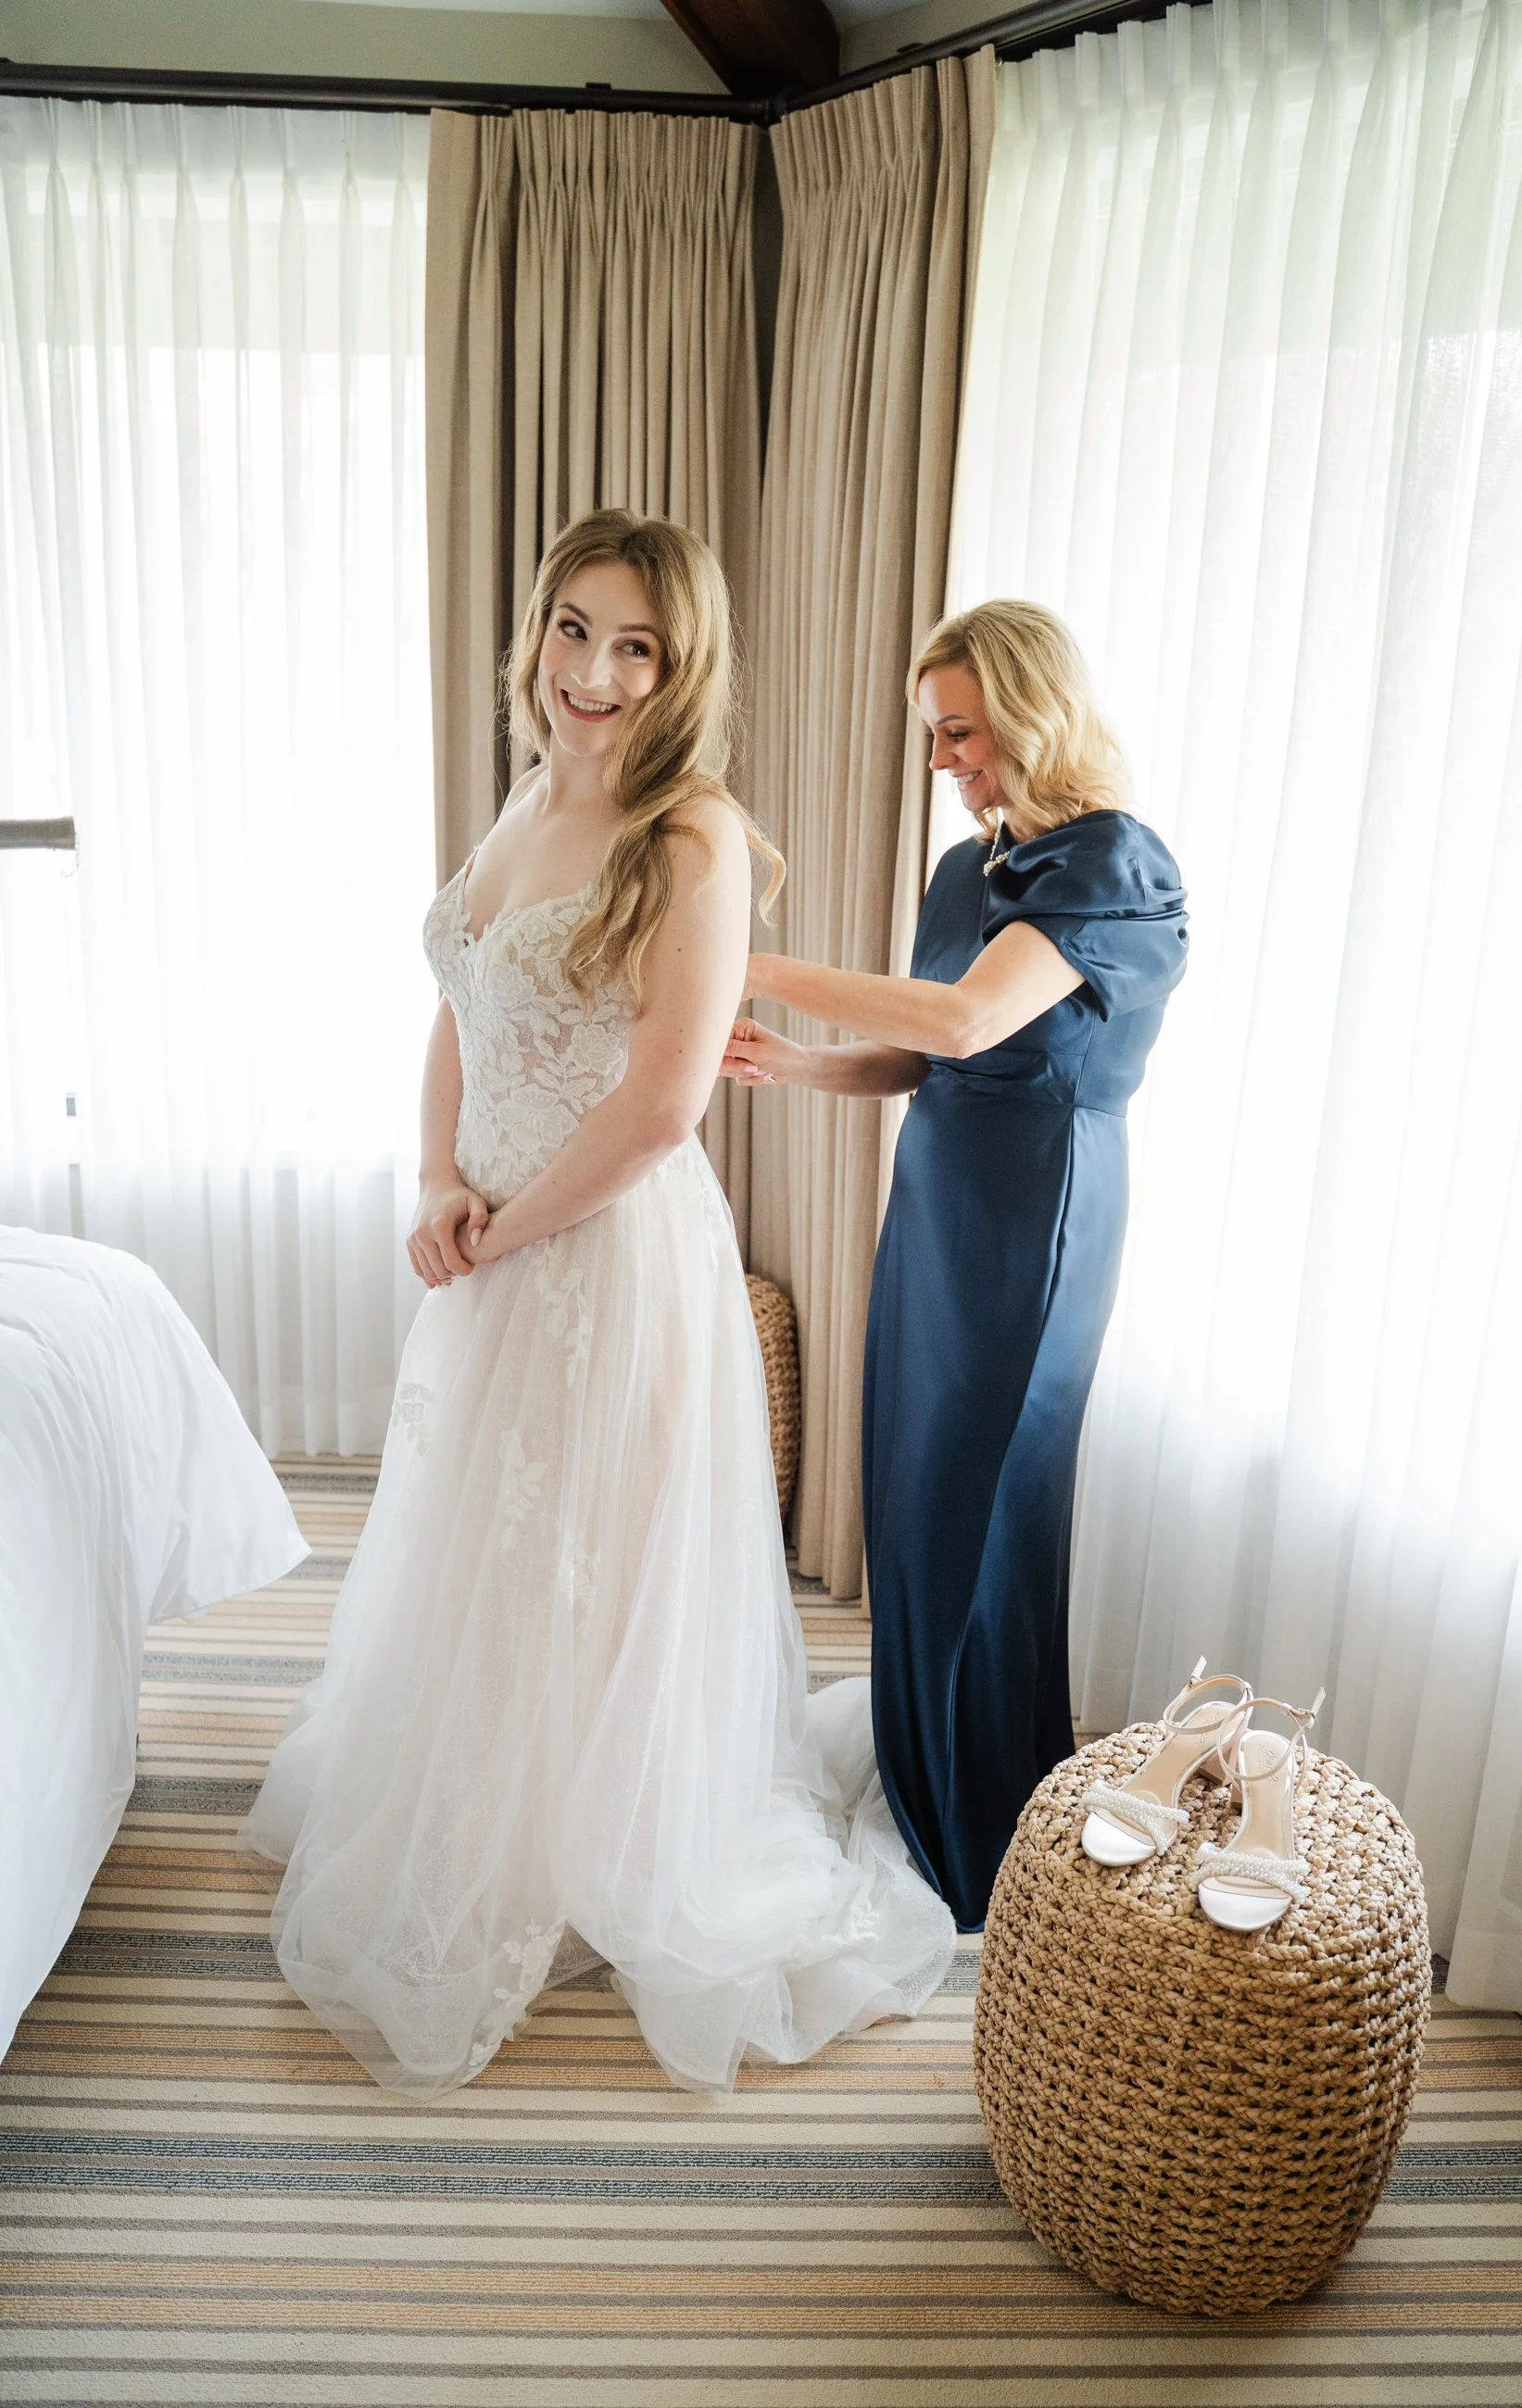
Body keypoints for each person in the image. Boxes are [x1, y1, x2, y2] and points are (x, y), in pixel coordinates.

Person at [241, 510, 954, 2096]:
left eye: (638, 646)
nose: (597, 672)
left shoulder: (691, 836)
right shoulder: (527, 794)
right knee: (490, 1545)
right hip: (493, 1242)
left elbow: (659, 1107)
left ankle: (597, 1842)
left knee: (592, 1559)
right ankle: (494, 1809)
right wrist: (438, 1180)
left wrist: (503, 1229)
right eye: (576, 629)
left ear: (680, 668)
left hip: (606, 1255)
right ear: (539, 630)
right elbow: (461, 1008)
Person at [723, 600, 1188, 1930]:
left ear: (1034, 715)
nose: (942, 760)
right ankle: (929, 1771)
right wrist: (800, 1063)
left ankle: (986, 1822)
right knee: (915, 1498)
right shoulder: (964, 870)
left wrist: (754, 964)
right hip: (935, 1204)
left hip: (1035, 1216)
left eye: (962, 731)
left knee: (988, 1508)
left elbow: (975, 1018)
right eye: (933, 733)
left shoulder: (1111, 865)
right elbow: (928, 1057)